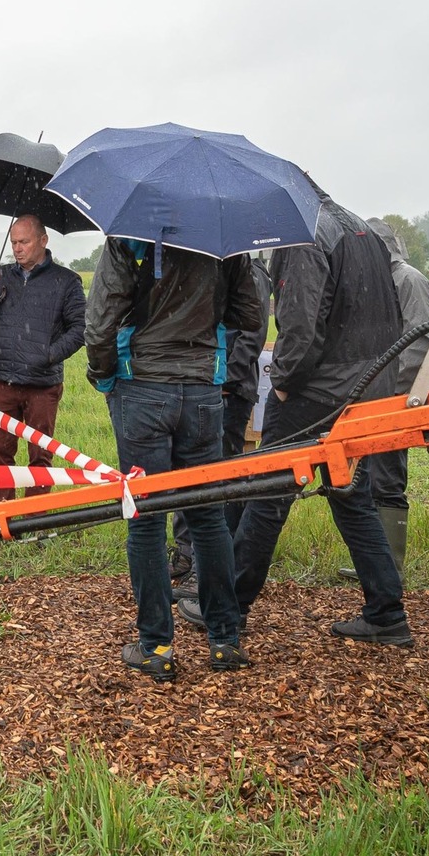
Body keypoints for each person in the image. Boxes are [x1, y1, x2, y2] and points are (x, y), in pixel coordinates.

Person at [179, 190, 414, 647]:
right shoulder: (357, 227)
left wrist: (283, 380)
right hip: (365, 383)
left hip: (317, 390)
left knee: (268, 490)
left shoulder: (302, 233)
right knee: (351, 494)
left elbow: (301, 323)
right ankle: (387, 611)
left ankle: (229, 606)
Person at [86, 237, 263, 680]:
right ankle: (224, 638)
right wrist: (204, 318)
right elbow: (252, 315)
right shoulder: (225, 242)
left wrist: (104, 374)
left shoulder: (129, 235)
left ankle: (156, 647)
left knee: (145, 517)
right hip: (203, 389)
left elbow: (100, 322)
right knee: (207, 516)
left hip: (142, 386)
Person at [337, 218, 429, 582]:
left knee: (387, 479)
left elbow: (424, 340)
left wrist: (400, 395)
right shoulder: (380, 281)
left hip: (396, 398)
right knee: (367, 477)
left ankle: (390, 569)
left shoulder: (409, 279)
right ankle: (376, 565)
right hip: (374, 397)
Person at [168, 254, 273, 599]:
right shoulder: (208, 265)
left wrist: (225, 380)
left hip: (226, 389)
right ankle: (186, 553)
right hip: (198, 382)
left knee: (217, 479)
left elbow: (253, 332)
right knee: (187, 472)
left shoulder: (249, 271)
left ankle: (208, 569)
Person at [0, 215, 85, 504]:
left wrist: (48, 355)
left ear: (43, 241)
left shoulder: (66, 281)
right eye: (13, 243)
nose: (17, 248)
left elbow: (80, 329)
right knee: (0, 453)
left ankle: (34, 521)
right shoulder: (3, 276)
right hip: (3, 380)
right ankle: (2, 518)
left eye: (24, 241)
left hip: (42, 384)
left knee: (40, 455)